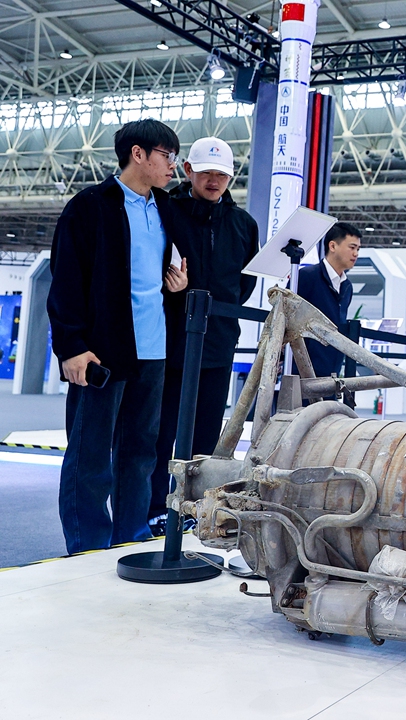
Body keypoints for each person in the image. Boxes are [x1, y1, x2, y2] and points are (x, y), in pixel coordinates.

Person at [47, 119, 188, 554]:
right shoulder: (90, 206)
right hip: (102, 351)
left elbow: (166, 271)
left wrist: (177, 286)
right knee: (90, 456)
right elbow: (66, 279)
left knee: (142, 453)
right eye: (167, 156)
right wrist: (70, 346)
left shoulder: (167, 208)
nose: (173, 166)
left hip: (155, 349)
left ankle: (131, 536)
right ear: (139, 154)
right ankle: (86, 545)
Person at [148, 137, 259, 530]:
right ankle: (154, 510)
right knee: (161, 432)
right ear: (189, 171)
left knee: (206, 435)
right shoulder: (166, 210)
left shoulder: (244, 225)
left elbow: (243, 284)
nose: (215, 181)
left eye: (222, 174)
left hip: (218, 340)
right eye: (207, 172)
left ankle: (193, 512)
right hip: (171, 339)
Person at [297, 222, 360, 378]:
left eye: (358, 249)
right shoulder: (307, 277)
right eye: (352, 247)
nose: (356, 253)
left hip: (332, 371)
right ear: (332, 246)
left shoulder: (347, 286)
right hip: (304, 371)